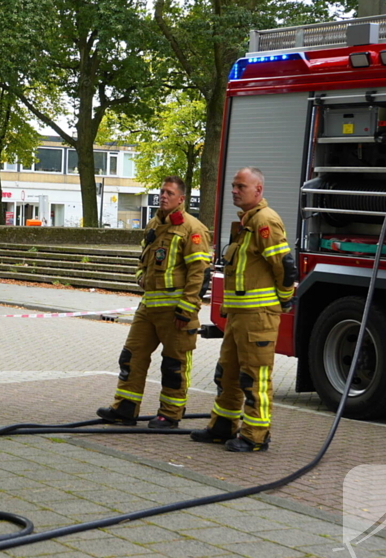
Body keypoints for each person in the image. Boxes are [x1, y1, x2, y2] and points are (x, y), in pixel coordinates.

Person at [191, 166, 296, 452]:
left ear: (258, 190)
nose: (234, 191)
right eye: (234, 186)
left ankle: (255, 436)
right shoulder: (247, 223)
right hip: (238, 316)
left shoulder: (265, 221)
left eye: (241, 186)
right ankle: (222, 426)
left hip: (258, 317)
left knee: (254, 377)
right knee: (227, 374)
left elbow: (285, 267)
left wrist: (285, 299)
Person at [97, 176, 211, 429]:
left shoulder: (193, 229)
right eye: (161, 191)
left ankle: (170, 414)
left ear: (181, 199)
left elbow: (199, 273)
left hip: (176, 312)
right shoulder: (154, 225)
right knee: (131, 355)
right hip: (149, 307)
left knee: (174, 364)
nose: (163, 196)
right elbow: (143, 260)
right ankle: (125, 408)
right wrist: (140, 277)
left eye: (169, 192)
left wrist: (187, 308)